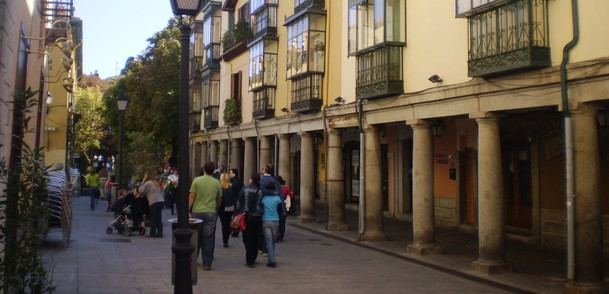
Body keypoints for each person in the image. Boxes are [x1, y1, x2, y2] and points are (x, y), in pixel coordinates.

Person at [189, 162, 222, 271]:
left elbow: (192, 196)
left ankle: (193, 260)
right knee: (208, 238)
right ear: (213, 171)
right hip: (210, 212)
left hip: (197, 212)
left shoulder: (196, 181)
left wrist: (187, 210)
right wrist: (215, 209)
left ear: (203, 169)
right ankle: (207, 263)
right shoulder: (217, 182)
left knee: (195, 238)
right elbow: (219, 199)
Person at [236, 174, 263, 268]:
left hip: (245, 216)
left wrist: (237, 213)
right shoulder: (261, 190)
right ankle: (253, 257)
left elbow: (239, 202)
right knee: (255, 237)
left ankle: (249, 258)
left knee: (247, 237)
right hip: (257, 216)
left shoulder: (244, 189)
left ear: (251, 179)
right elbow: (262, 204)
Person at [261, 181, 284, 268]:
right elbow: (280, 210)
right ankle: (272, 258)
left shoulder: (263, 199)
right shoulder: (277, 198)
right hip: (275, 220)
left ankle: (272, 260)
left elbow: (261, 209)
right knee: (273, 241)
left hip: (266, 220)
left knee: (269, 241)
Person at [138, 172, 165, 238]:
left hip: (154, 202)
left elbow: (140, 190)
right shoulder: (156, 183)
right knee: (159, 218)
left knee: (153, 218)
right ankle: (160, 233)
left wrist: (143, 180)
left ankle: (152, 234)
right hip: (160, 201)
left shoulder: (148, 183)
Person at [218, 173, 238, 248]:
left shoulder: (220, 187)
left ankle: (225, 240)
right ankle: (228, 234)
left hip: (222, 208)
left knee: (224, 224)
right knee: (228, 222)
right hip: (230, 207)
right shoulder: (232, 186)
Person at [277, 175, 293, 242]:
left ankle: (277, 234)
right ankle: (281, 235)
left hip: (277, 207)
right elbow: (290, 197)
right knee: (282, 222)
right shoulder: (286, 188)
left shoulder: (275, 188)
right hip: (284, 207)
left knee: (277, 221)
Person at [229, 169, 243, 238]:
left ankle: (234, 230)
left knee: (235, 216)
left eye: (231, 173)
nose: (229, 174)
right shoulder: (238, 181)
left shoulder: (235, 181)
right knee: (235, 216)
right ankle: (234, 230)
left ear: (234, 174)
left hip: (235, 200)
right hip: (236, 200)